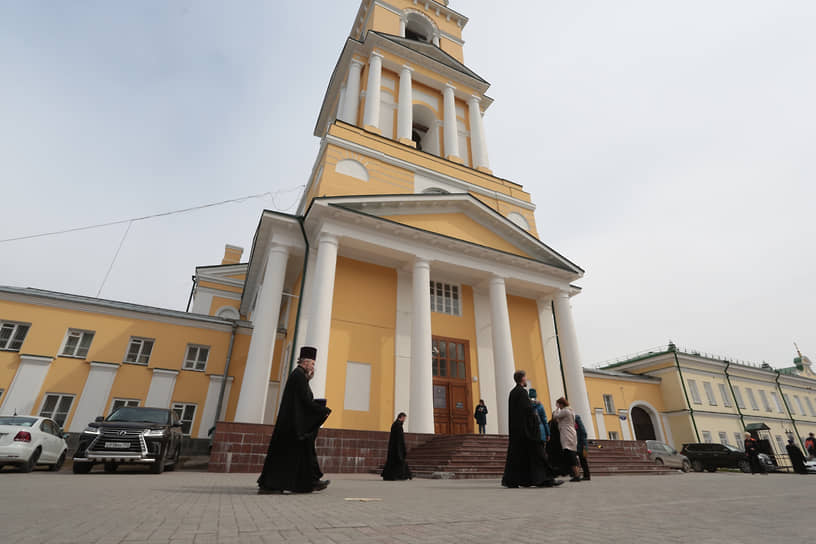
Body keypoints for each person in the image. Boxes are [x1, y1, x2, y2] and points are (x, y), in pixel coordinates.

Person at [257, 346, 332, 494]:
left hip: (293, 425)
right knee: (294, 456)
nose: (313, 367)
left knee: (304, 455)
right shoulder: (298, 376)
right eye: (312, 364)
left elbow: (301, 400)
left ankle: (308, 483)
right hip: (293, 427)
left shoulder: (299, 376)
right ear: (305, 363)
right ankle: (276, 484)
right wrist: (322, 411)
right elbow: (304, 401)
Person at [501, 370, 563, 488]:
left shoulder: (513, 392)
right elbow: (528, 411)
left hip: (517, 432)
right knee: (538, 454)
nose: (526, 379)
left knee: (519, 457)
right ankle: (546, 479)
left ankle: (516, 480)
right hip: (527, 432)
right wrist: (535, 423)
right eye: (525, 377)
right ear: (522, 379)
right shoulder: (522, 393)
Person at [552, 397, 581, 482]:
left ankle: (576, 474)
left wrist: (557, 408)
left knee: (570, 454)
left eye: (558, 404)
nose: (558, 406)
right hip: (571, 433)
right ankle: (576, 474)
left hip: (567, 433)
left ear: (561, 404)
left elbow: (555, 416)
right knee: (571, 454)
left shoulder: (565, 411)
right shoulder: (570, 410)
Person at [382, 412, 412, 480]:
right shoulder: (398, 426)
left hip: (394, 447)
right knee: (399, 461)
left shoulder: (395, 424)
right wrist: (402, 448)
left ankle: (393, 476)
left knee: (394, 462)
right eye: (404, 418)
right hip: (397, 448)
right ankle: (401, 476)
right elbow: (400, 439)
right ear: (401, 417)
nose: (404, 420)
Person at [575, 414, 591, 481]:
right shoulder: (577, 425)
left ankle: (586, 476)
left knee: (583, 460)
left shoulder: (579, 425)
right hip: (580, 445)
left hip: (582, 445)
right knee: (582, 460)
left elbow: (584, 433)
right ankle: (585, 475)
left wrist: (584, 445)